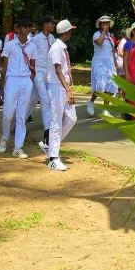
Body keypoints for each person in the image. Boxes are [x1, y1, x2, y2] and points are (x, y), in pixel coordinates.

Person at [0, 17, 35, 158]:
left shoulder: (32, 46)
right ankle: (4, 138)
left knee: (21, 116)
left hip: (26, 81)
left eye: (29, 27)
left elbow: (33, 65)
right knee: (8, 114)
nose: (27, 29)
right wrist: (1, 88)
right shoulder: (10, 45)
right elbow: (5, 66)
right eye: (24, 27)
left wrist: (30, 81)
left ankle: (18, 147)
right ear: (19, 29)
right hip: (12, 81)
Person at [44, 18, 78, 171]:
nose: (71, 33)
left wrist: (68, 88)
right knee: (56, 121)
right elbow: (58, 69)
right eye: (70, 30)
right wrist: (68, 89)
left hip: (62, 87)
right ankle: (53, 158)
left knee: (71, 118)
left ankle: (50, 146)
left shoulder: (62, 46)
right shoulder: (57, 47)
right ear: (66, 32)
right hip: (57, 88)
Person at [30, 15, 56, 149]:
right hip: (38, 74)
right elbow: (30, 57)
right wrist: (31, 72)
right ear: (45, 24)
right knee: (45, 101)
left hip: (49, 75)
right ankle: (47, 132)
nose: (53, 26)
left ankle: (18, 123)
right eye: (51, 23)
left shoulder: (52, 38)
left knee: (32, 100)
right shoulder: (35, 40)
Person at [87, 16, 118, 117]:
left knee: (110, 86)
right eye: (103, 23)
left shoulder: (111, 36)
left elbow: (112, 51)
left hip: (110, 63)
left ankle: (105, 109)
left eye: (107, 23)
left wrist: (115, 64)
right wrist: (104, 32)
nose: (106, 25)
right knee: (100, 86)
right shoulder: (96, 34)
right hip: (99, 62)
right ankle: (91, 102)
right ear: (100, 25)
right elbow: (99, 43)